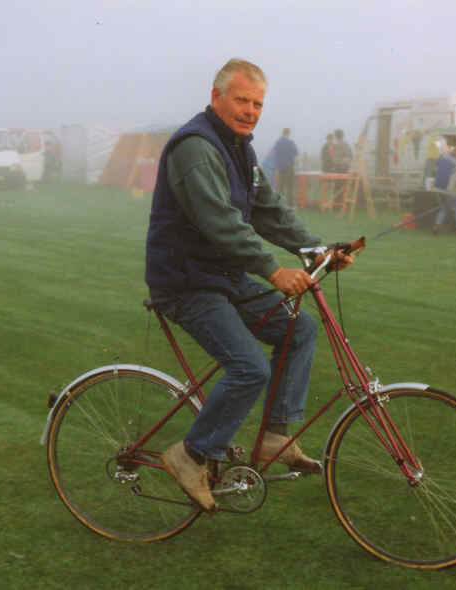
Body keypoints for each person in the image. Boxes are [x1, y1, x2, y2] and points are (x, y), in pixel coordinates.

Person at [145, 58, 352, 512]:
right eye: (242, 100)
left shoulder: (240, 148)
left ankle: (275, 438)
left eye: (258, 103)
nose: (251, 110)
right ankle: (190, 455)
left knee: (299, 330)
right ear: (216, 96)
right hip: (186, 282)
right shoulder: (196, 148)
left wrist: (316, 251)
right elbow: (220, 223)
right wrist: (273, 270)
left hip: (223, 277)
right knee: (248, 368)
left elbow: (268, 210)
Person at [271, 128, 298, 206]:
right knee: (290, 186)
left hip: (280, 167)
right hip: (289, 167)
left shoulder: (278, 143)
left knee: (280, 186)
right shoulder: (290, 142)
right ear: (288, 133)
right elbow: (295, 153)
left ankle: (279, 203)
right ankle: (290, 204)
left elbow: (275, 154)